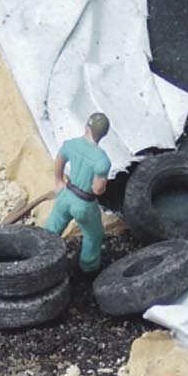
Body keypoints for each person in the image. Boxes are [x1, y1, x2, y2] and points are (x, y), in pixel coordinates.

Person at [44, 113, 112, 272]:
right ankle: (88, 268)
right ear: (103, 134)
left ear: (86, 127)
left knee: (52, 227)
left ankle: (41, 255)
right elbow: (97, 189)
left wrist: (59, 181)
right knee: (93, 235)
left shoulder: (72, 145)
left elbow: (59, 160)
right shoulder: (102, 160)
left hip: (66, 194)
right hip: (84, 204)